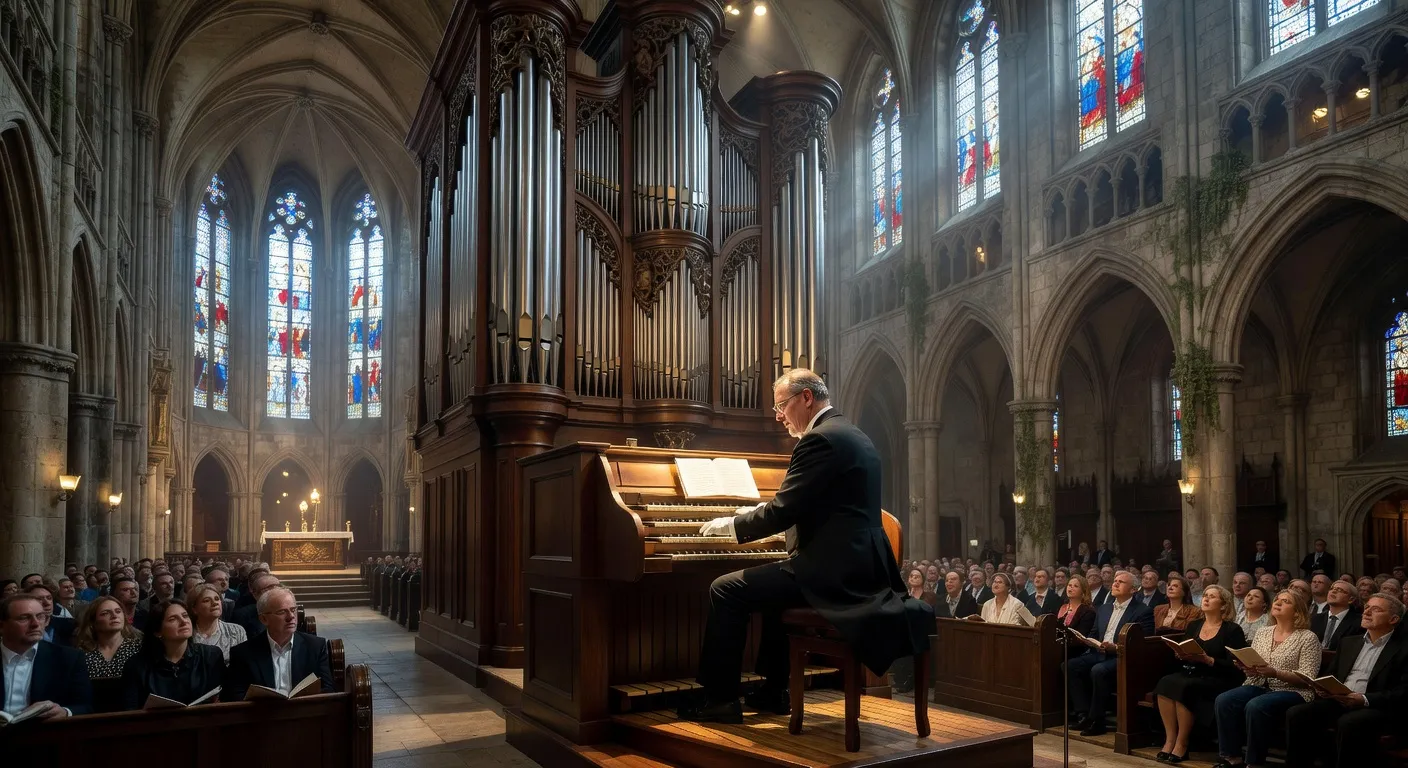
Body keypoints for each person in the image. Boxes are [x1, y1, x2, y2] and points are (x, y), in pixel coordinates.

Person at [679, 370, 934, 723]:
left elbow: (783, 510)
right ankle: (773, 691)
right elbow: (814, 504)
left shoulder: (818, 440)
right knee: (771, 589)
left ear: (806, 398)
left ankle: (720, 700)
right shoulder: (853, 434)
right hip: (861, 570)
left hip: (832, 576)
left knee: (725, 589)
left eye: (782, 405)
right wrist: (758, 515)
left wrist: (732, 525)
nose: (779, 415)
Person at [1284, 594, 1408, 768]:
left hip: (1378, 706)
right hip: (1340, 700)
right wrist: (1322, 688)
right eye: (1367, 607)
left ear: (1393, 619)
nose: (1367, 612)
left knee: (1349, 722)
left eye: (1376, 609)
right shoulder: (1349, 642)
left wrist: (1364, 699)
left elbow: (1402, 692)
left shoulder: (1403, 647)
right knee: (1296, 713)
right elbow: (1332, 674)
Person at [1212, 590, 1320, 768]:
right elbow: (1256, 666)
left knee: (1256, 705)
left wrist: (1275, 673)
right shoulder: (1263, 632)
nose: (1278, 602)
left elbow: (1308, 678)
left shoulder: (1308, 637)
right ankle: (1231, 757)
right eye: (1277, 599)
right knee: (1224, 700)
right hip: (1259, 684)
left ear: (1297, 612)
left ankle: (1254, 762)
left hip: (1293, 690)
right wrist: (1248, 668)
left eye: (1285, 601)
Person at [1152, 585, 1248, 763]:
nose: (1206, 598)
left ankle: (1182, 743)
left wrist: (1208, 660)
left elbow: (1234, 665)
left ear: (1223, 605)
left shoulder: (1232, 630)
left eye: (1212, 596)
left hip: (1218, 677)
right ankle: (1170, 739)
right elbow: (1186, 648)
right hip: (1192, 671)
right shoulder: (1194, 625)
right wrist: (1180, 653)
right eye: (1205, 595)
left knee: (1184, 686)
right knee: (1165, 682)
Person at [1064, 571, 1155, 736]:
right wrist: (1090, 641)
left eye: (1121, 582)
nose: (1116, 584)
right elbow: (1093, 633)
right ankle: (1082, 714)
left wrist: (1116, 647)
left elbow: (1143, 644)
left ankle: (1097, 720)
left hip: (1122, 656)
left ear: (1133, 589)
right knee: (1070, 665)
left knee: (1098, 670)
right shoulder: (1104, 608)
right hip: (1099, 652)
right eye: (1115, 581)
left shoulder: (1143, 611)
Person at [225, 587, 336, 701]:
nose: (291, 617)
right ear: (264, 619)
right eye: (282, 612)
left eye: (293, 610)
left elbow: (327, 689)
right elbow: (235, 695)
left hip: (304, 714)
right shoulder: (243, 653)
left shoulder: (315, 646)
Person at [119, 599, 225, 709]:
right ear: (157, 632)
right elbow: (130, 710)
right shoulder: (136, 665)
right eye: (173, 619)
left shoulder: (211, 655)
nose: (184, 621)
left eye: (185, 616)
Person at [0, 594, 92, 717]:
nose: (35, 624)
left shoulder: (69, 658)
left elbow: (86, 706)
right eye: (24, 618)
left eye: (40, 617)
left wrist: (64, 712)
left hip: (45, 732)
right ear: (1, 626)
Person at [72, 596, 142, 712]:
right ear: (92, 622)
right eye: (105, 613)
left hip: (132, 713)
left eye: (118, 611)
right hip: (91, 714)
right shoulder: (81, 653)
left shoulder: (139, 647)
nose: (114, 616)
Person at [188, 584, 248, 663]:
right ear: (194, 609)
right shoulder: (187, 634)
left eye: (217, 599)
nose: (214, 603)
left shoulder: (237, 631)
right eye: (207, 600)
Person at [1312, 580, 1364, 655]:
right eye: (1332, 589)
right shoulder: (1315, 619)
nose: (1334, 591)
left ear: (1351, 599)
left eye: (1340, 590)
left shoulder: (1358, 622)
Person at [1056, 575, 1099, 659]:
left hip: (1075, 650)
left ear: (1083, 592)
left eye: (1075, 586)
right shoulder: (1062, 607)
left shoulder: (1088, 611)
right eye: (1069, 585)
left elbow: (1081, 638)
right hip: (1058, 646)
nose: (1071, 588)